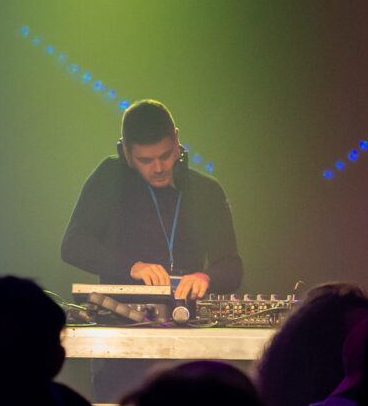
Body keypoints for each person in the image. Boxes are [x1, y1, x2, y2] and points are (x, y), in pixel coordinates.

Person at [61, 100, 242, 301]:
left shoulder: (206, 189)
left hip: (185, 314)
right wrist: (132, 267)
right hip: (120, 314)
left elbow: (231, 266)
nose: (158, 168)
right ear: (126, 153)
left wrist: (206, 277)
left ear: (176, 141)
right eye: (145, 160)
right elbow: (73, 245)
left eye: (165, 155)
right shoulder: (110, 177)